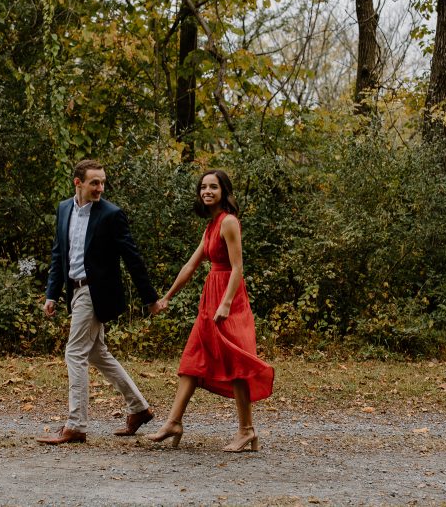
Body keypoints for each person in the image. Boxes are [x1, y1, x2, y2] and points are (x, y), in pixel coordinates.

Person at [35, 159, 163, 445]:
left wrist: (150, 298)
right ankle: (139, 409)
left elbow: (132, 257)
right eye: (95, 182)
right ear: (78, 183)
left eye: (103, 182)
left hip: (95, 293)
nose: (100, 188)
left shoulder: (111, 214)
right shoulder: (64, 209)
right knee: (96, 353)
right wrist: (51, 294)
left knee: (75, 352)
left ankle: (76, 425)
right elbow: (59, 254)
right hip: (75, 289)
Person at [149, 169, 274, 452]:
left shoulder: (229, 222)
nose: (207, 191)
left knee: (237, 362)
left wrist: (226, 303)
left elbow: (238, 267)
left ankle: (246, 430)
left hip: (229, 299)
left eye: (213, 187)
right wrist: (167, 297)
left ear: (223, 191)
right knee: (192, 359)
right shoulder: (211, 225)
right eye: (203, 187)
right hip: (210, 299)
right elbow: (190, 266)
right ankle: (173, 422)